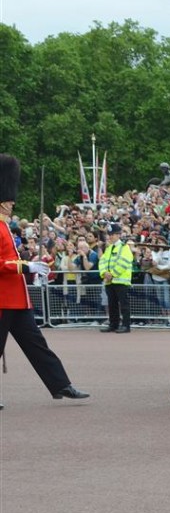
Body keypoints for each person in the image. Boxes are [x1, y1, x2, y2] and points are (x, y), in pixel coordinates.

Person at [0, 155, 90, 410]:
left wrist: (31, 269)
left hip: (17, 299)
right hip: (2, 299)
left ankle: (60, 384)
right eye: (8, 200)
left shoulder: (6, 227)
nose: (12, 203)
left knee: (37, 345)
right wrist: (24, 266)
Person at [98, 223, 134, 333]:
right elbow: (102, 261)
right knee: (112, 304)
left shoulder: (124, 248)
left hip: (121, 281)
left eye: (112, 234)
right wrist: (104, 273)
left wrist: (112, 274)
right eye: (109, 234)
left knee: (124, 305)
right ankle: (114, 324)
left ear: (118, 235)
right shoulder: (109, 248)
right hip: (110, 281)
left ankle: (126, 326)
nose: (110, 236)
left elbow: (123, 263)